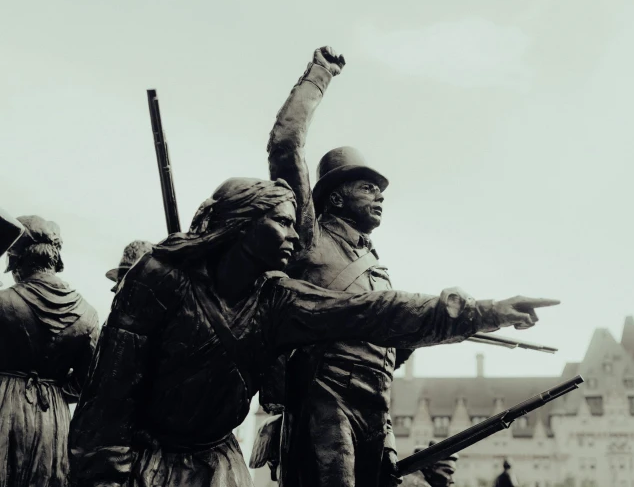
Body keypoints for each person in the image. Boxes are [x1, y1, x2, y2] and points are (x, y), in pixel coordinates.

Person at [67, 177, 557, 487]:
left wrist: (485, 311)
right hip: (147, 462)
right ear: (242, 223)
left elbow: (377, 312)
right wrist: (106, 478)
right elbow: (107, 399)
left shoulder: (278, 299)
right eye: (281, 223)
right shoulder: (159, 276)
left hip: (216, 463)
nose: (297, 236)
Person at [266, 47, 546, 487]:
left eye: (381, 190)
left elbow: (393, 345)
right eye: (367, 186)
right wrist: (319, 74)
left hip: (376, 409)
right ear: (335, 196)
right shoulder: (307, 237)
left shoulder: (377, 269)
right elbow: (286, 144)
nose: (380, 196)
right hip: (323, 401)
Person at [0, 215, 100, 487]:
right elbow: (87, 382)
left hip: (3, 407)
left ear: (17, 259)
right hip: (52, 419)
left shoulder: (2, 302)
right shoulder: (87, 314)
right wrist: (55, 390)